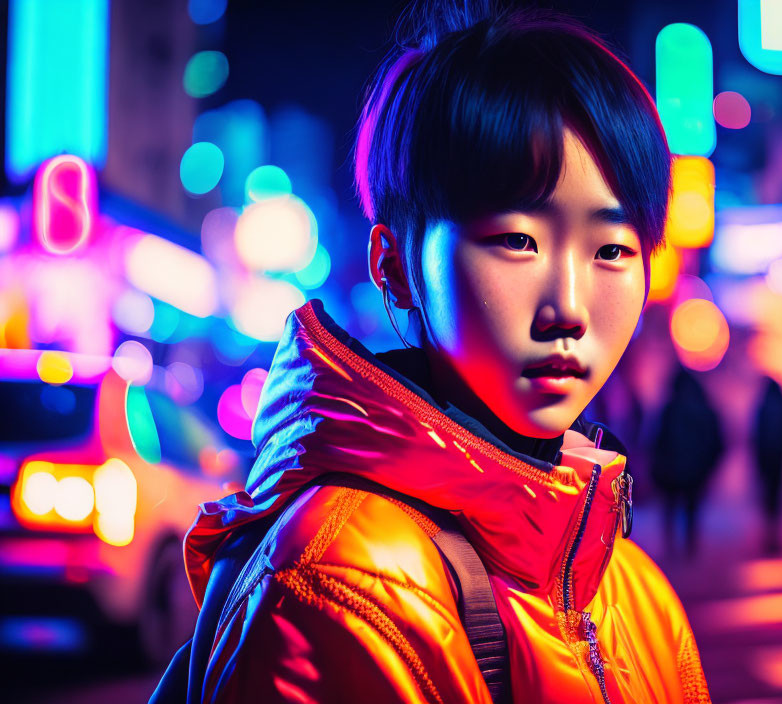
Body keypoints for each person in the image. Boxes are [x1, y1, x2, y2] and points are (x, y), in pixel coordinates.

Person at [165, 3, 711, 702]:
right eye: (517, 241)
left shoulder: (636, 592)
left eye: (611, 249)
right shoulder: (340, 580)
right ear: (394, 266)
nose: (568, 308)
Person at [649, 366, 724, 558]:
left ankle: (672, 547)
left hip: (672, 470)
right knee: (691, 509)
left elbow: (656, 439)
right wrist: (707, 466)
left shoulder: (669, 408)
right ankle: (690, 547)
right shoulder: (703, 408)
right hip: (694, 471)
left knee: (671, 508)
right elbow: (716, 440)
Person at [751, 377, 782, 555]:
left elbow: (755, 435)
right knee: (777, 497)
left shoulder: (763, 406)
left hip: (767, 459)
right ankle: (774, 534)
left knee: (768, 498)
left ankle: (770, 534)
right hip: (780, 459)